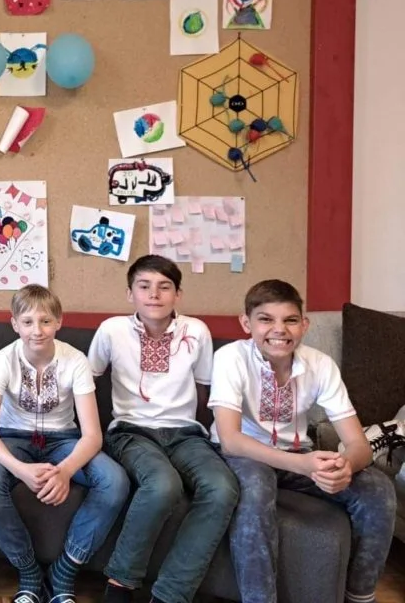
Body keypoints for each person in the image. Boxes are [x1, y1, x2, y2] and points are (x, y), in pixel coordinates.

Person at [210, 279, 396, 603]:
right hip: (245, 455)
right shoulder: (231, 357)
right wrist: (302, 465)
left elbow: (359, 445)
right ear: (246, 323)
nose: (279, 329)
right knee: (256, 486)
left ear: (304, 325)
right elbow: (230, 440)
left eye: (290, 320)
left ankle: (359, 596)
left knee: (378, 489)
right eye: (266, 319)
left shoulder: (320, 365)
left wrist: (345, 466)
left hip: (298, 453)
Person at [87, 255, 239, 603]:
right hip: (131, 431)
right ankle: (120, 585)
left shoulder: (196, 331)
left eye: (164, 287)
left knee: (222, 488)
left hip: (185, 433)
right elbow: (86, 381)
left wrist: (210, 435)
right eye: (144, 286)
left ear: (178, 294)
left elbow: (205, 389)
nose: (154, 294)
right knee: (163, 485)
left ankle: (171, 594)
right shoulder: (112, 330)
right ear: (130, 294)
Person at [0, 284, 128, 603]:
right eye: (27, 322)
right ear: (14, 324)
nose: (37, 331)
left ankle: (64, 570)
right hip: (13, 438)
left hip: (63, 440)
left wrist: (66, 471)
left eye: (45, 321)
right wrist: (21, 470)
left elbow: (92, 436)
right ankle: (29, 572)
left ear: (59, 322)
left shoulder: (75, 360)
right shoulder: (3, 359)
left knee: (115, 481)